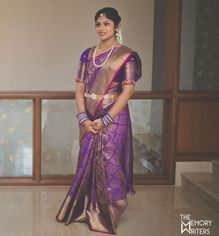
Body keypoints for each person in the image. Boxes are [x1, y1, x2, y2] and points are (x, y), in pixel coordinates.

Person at [56, 7, 142, 235]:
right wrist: (84, 117)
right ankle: (88, 210)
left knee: (109, 162)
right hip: (89, 116)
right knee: (88, 161)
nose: (101, 28)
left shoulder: (127, 55)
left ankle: (112, 209)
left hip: (114, 117)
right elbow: (79, 88)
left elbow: (128, 92)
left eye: (106, 24)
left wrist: (105, 119)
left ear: (116, 27)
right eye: (98, 24)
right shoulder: (87, 54)